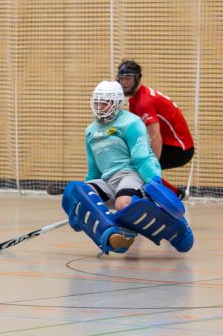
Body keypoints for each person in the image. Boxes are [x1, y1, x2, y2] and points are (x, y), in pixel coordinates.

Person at [60, 80, 192, 254]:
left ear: (117, 103)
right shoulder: (90, 131)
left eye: (105, 103)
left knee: (123, 204)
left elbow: (142, 158)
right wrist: (84, 202)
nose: (100, 107)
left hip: (131, 175)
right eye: (97, 102)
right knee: (78, 190)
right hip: (108, 180)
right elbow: (93, 170)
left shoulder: (131, 122)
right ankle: (112, 234)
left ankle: (176, 228)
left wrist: (154, 181)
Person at [116, 59, 194, 198]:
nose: (124, 83)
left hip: (179, 149)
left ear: (137, 79)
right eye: (122, 79)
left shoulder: (143, 102)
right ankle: (176, 194)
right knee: (132, 162)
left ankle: (173, 195)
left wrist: (151, 165)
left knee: (138, 167)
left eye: (128, 79)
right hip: (170, 143)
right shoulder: (135, 100)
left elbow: (155, 136)